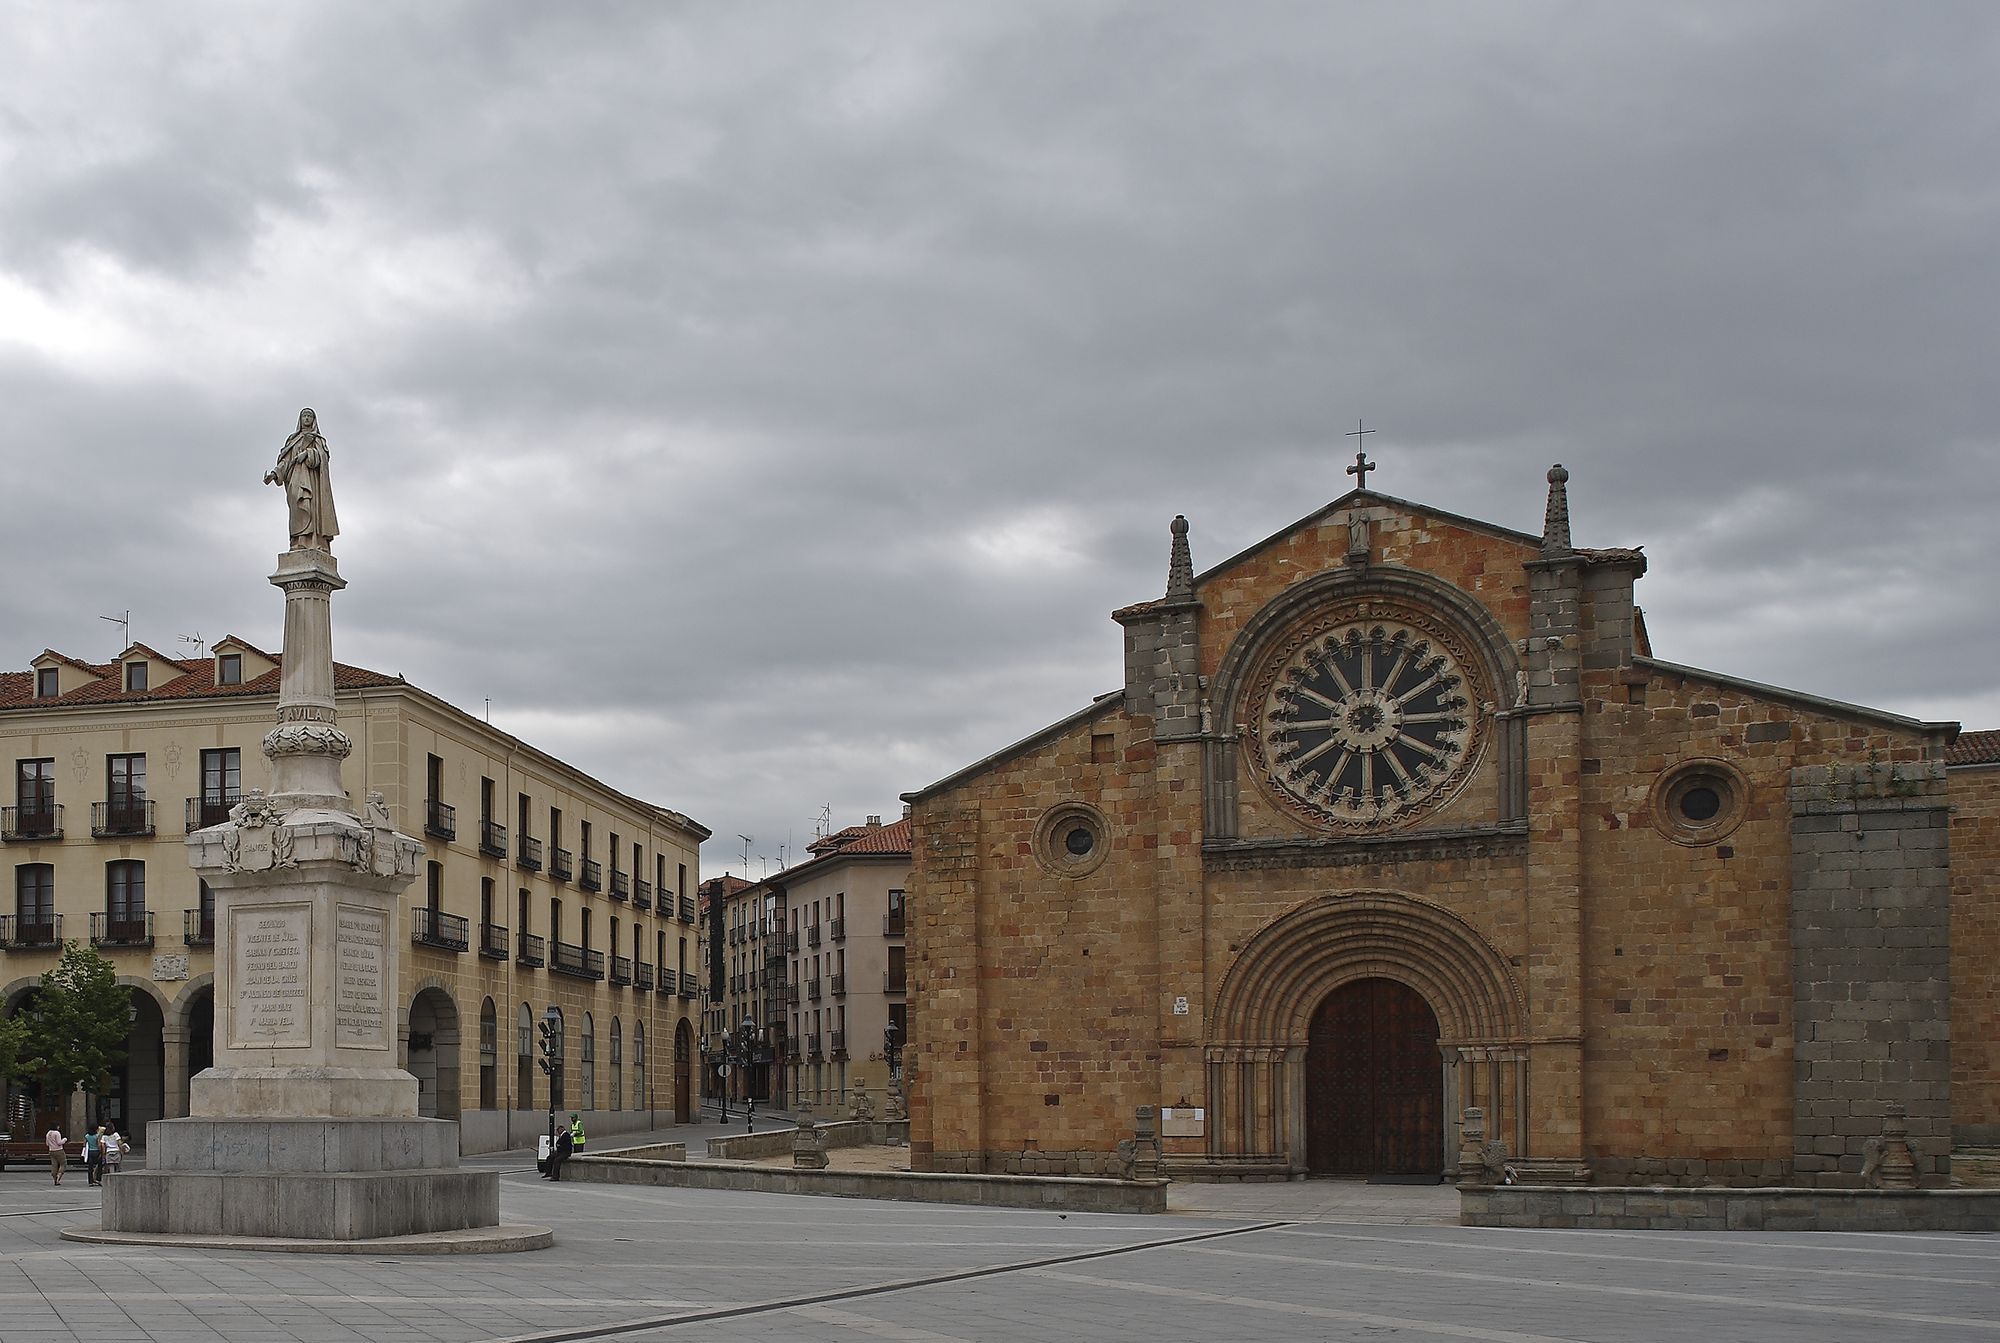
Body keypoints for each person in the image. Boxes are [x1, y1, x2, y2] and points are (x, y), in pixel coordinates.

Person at [264, 407, 340, 552]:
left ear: (314, 420)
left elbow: (323, 458)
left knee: (311, 508)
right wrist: (274, 474)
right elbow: (285, 461)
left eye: (309, 416)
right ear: (300, 419)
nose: (306, 418)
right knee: (297, 510)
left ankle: (314, 541)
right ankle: (298, 542)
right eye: (304, 415)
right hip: (295, 478)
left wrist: (308, 454)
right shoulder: (293, 439)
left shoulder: (318, 439)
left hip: (312, 481)